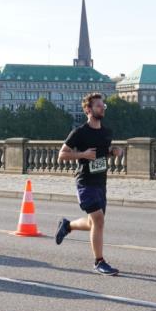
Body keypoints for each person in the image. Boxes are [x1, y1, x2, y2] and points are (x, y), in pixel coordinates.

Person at [54, 92, 124, 276]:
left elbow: (103, 152)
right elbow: (62, 154)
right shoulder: (79, 132)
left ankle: (67, 226)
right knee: (99, 221)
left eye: (103, 105)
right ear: (88, 109)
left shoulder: (106, 132)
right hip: (85, 183)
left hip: (101, 183)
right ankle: (99, 262)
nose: (102, 108)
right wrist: (82, 154)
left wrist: (114, 152)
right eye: (98, 105)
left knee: (95, 223)